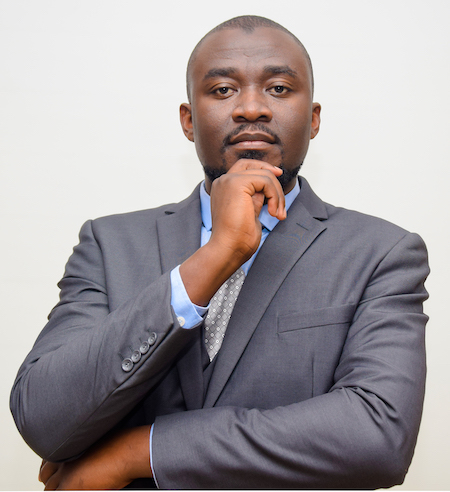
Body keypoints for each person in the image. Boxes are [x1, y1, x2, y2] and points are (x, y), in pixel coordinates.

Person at [10, 15, 429, 490]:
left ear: (313, 119)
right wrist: (214, 257)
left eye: (278, 88)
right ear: (188, 120)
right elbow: (42, 419)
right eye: (223, 90)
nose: (251, 108)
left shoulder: (382, 253)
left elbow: (379, 437)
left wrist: (139, 452)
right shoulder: (109, 244)